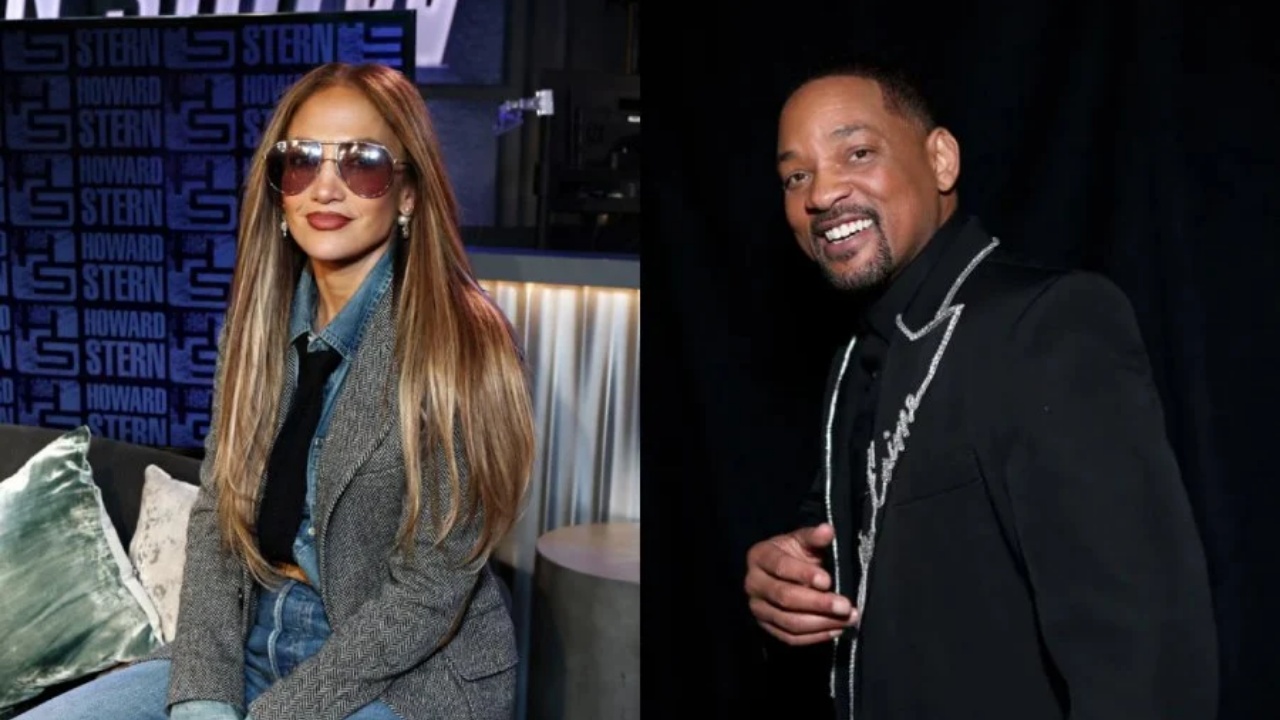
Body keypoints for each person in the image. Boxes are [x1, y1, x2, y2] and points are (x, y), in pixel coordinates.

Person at [17, 61, 535, 720]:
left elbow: (432, 590)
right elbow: (218, 521)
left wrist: (279, 712)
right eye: (302, 162)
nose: (326, 187)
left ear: (407, 194)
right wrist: (203, 693)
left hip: (402, 669)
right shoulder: (254, 326)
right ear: (279, 189)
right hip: (253, 640)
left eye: (363, 164)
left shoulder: (461, 342)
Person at [742, 63, 1218, 720]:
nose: (821, 193)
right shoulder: (855, 360)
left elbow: (1147, 655)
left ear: (940, 160)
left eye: (857, 153)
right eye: (796, 176)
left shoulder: (1049, 324)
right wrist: (784, 582)